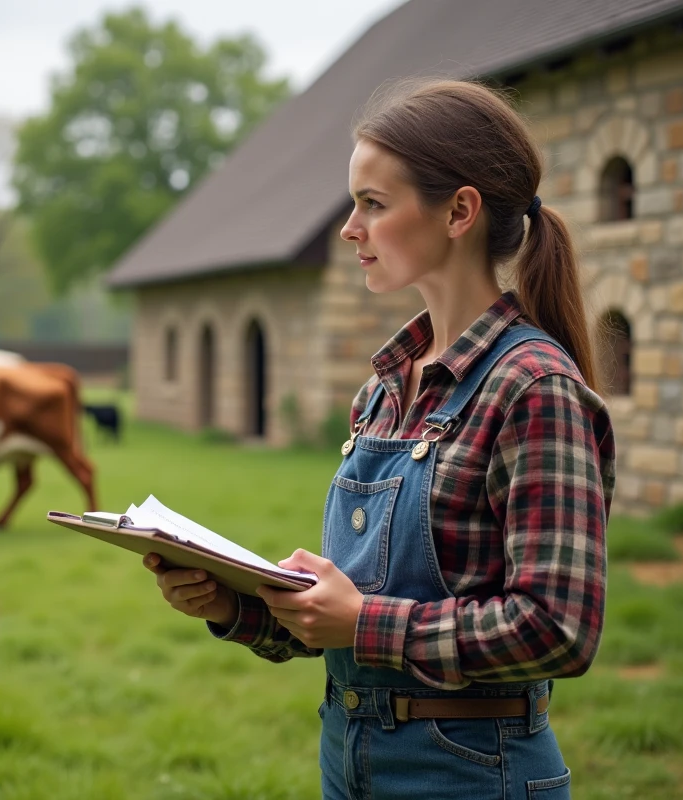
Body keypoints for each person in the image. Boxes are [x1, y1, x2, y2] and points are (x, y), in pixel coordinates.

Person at [143, 79, 615, 800]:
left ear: (459, 211)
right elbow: (349, 618)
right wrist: (233, 607)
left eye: (373, 203)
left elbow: (558, 628)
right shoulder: (385, 389)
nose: (348, 228)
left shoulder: (532, 387)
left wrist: (364, 620)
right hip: (350, 758)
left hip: (472, 774)